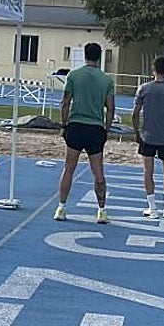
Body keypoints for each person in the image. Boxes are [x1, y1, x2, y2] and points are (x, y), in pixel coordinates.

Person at [53, 42, 115, 224]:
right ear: (99, 57)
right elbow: (110, 108)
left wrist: (64, 124)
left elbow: (65, 102)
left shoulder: (74, 75)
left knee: (69, 169)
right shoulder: (107, 80)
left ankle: (61, 207)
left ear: (85, 56)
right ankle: (102, 210)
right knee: (98, 173)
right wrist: (107, 129)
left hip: (76, 126)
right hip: (95, 128)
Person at [131, 56, 164, 219]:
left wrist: (136, 132)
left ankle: (152, 207)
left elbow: (135, 113)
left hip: (148, 136)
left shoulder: (143, 89)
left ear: (153, 70)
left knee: (148, 172)